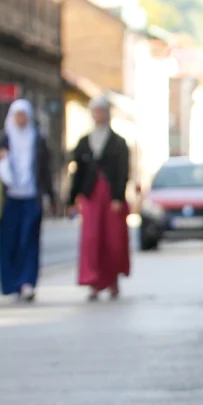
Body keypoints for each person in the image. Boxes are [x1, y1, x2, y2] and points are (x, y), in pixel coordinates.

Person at [0, 99, 55, 302]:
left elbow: (45, 171)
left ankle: (27, 282)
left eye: (24, 114)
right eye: (17, 115)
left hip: (30, 198)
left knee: (29, 241)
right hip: (9, 199)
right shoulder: (4, 138)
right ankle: (12, 284)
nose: (21, 119)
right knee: (10, 242)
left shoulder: (37, 139)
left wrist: (51, 196)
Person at [69, 96, 131, 301]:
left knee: (113, 239)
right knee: (91, 238)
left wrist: (118, 197)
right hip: (91, 194)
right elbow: (77, 173)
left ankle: (112, 279)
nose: (98, 115)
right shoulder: (84, 142)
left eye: (101, 111)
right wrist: (72, 199)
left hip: (111, 196)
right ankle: (94, 281)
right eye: (95, 111)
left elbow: (123, 172)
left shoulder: (118, 142)